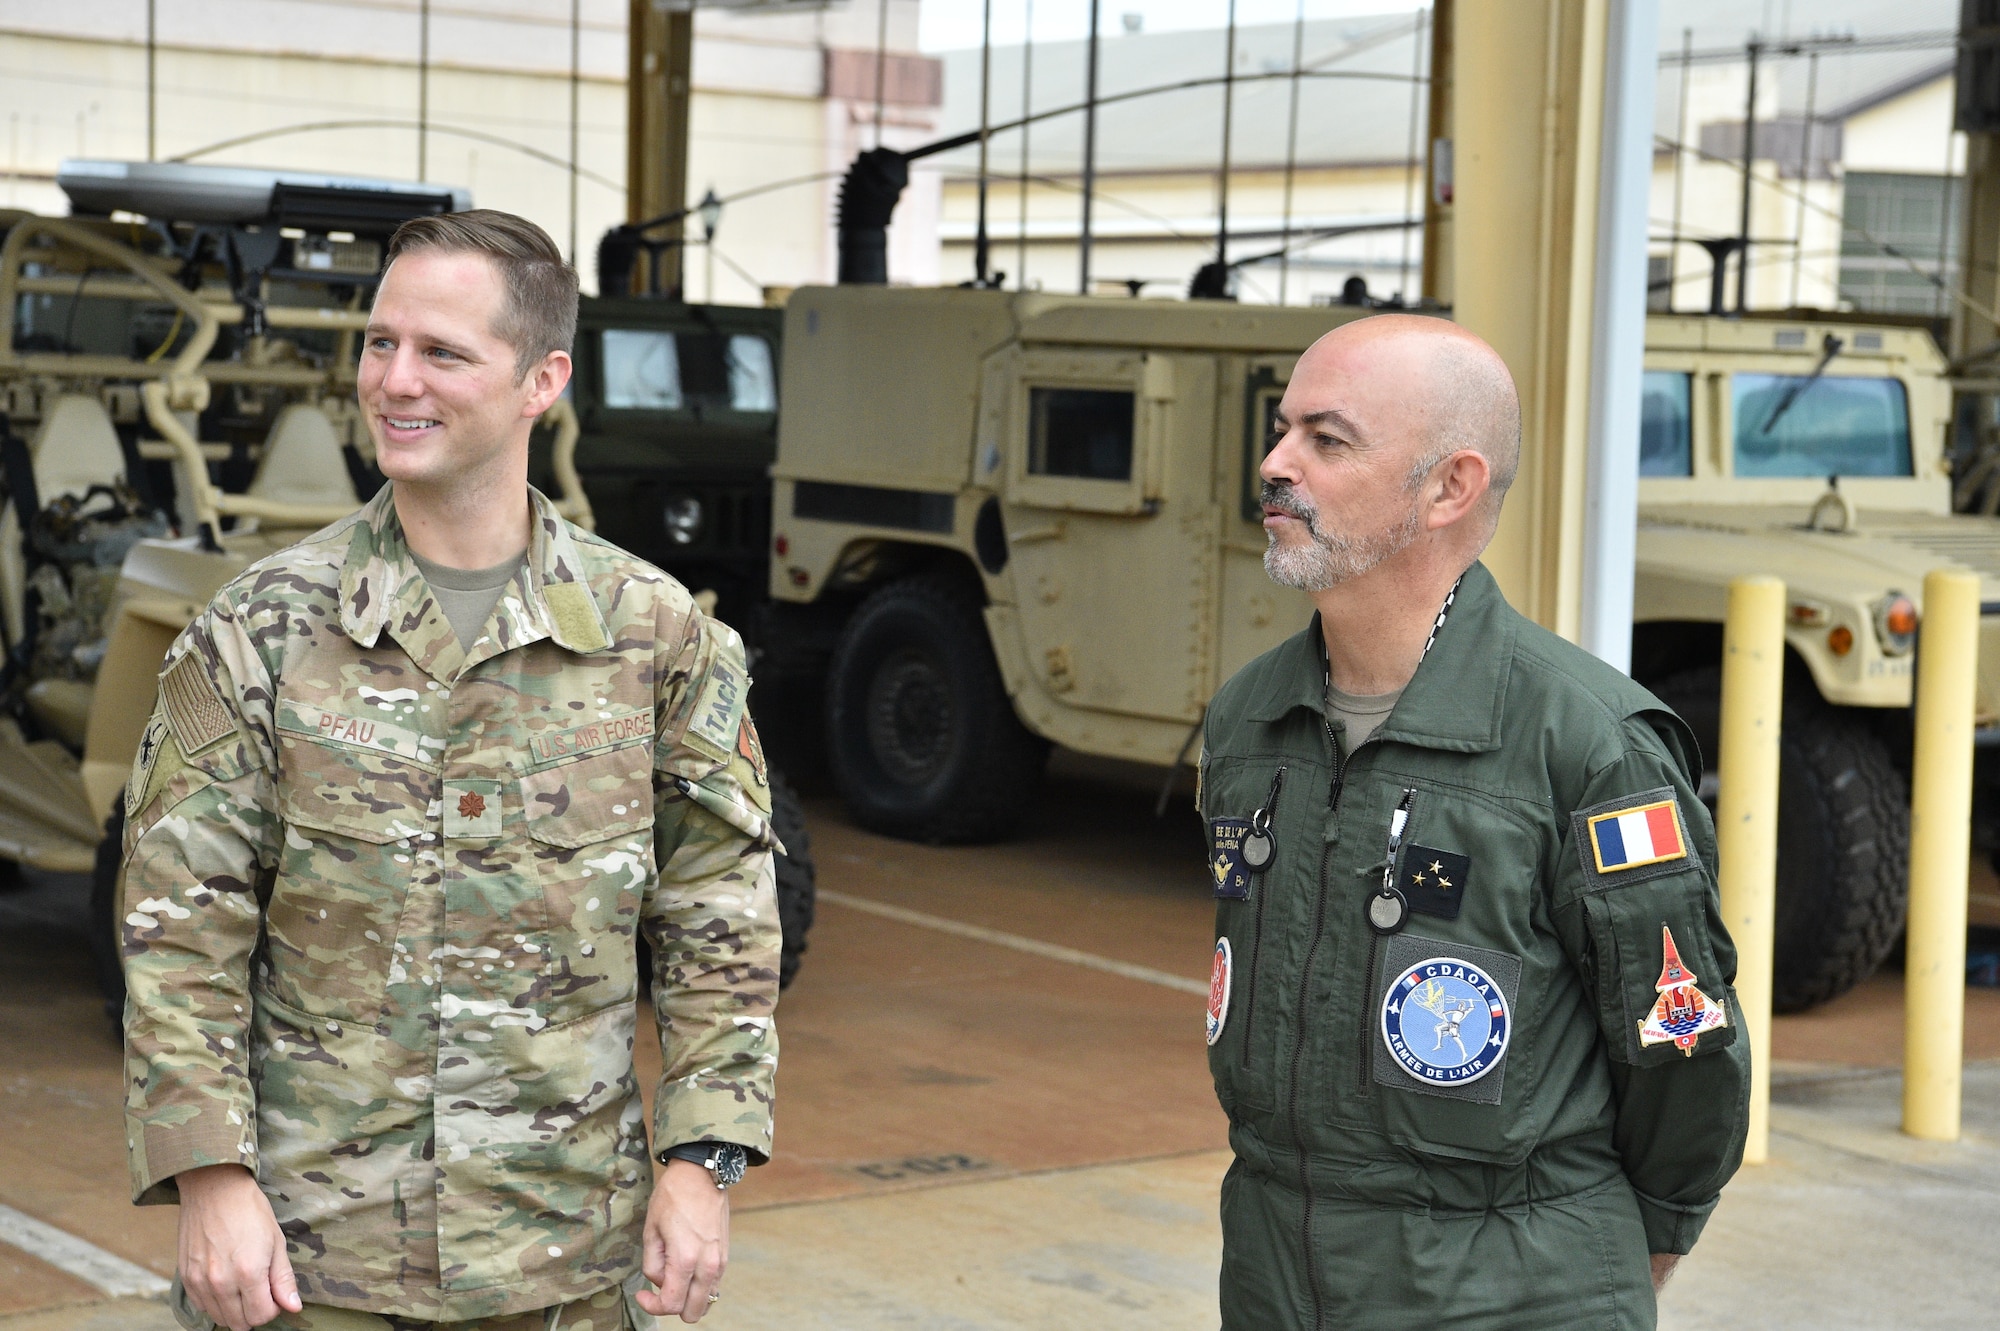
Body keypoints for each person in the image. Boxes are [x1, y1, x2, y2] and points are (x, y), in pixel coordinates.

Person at [119, 210, 781, 1331]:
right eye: (381, 343)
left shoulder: (656, 637)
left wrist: (700, 1161)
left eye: (441, 351)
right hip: (309, 1261)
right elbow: (180, 928)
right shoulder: (263, 631)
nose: (394, 378)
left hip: (567, 1259)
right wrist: (210, 1175)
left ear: (541, 379)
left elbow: (721, 922)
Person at [1198, 314, 1749, 1329]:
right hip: (1276, 1271)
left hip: (1504, 1286)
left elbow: (1678, 1037)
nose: (1274, 464)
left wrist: (1654, 1225)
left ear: (1448, 486)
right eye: (1281, 430)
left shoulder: (1584, 742)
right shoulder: (1248, 719)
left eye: (1327, 439)